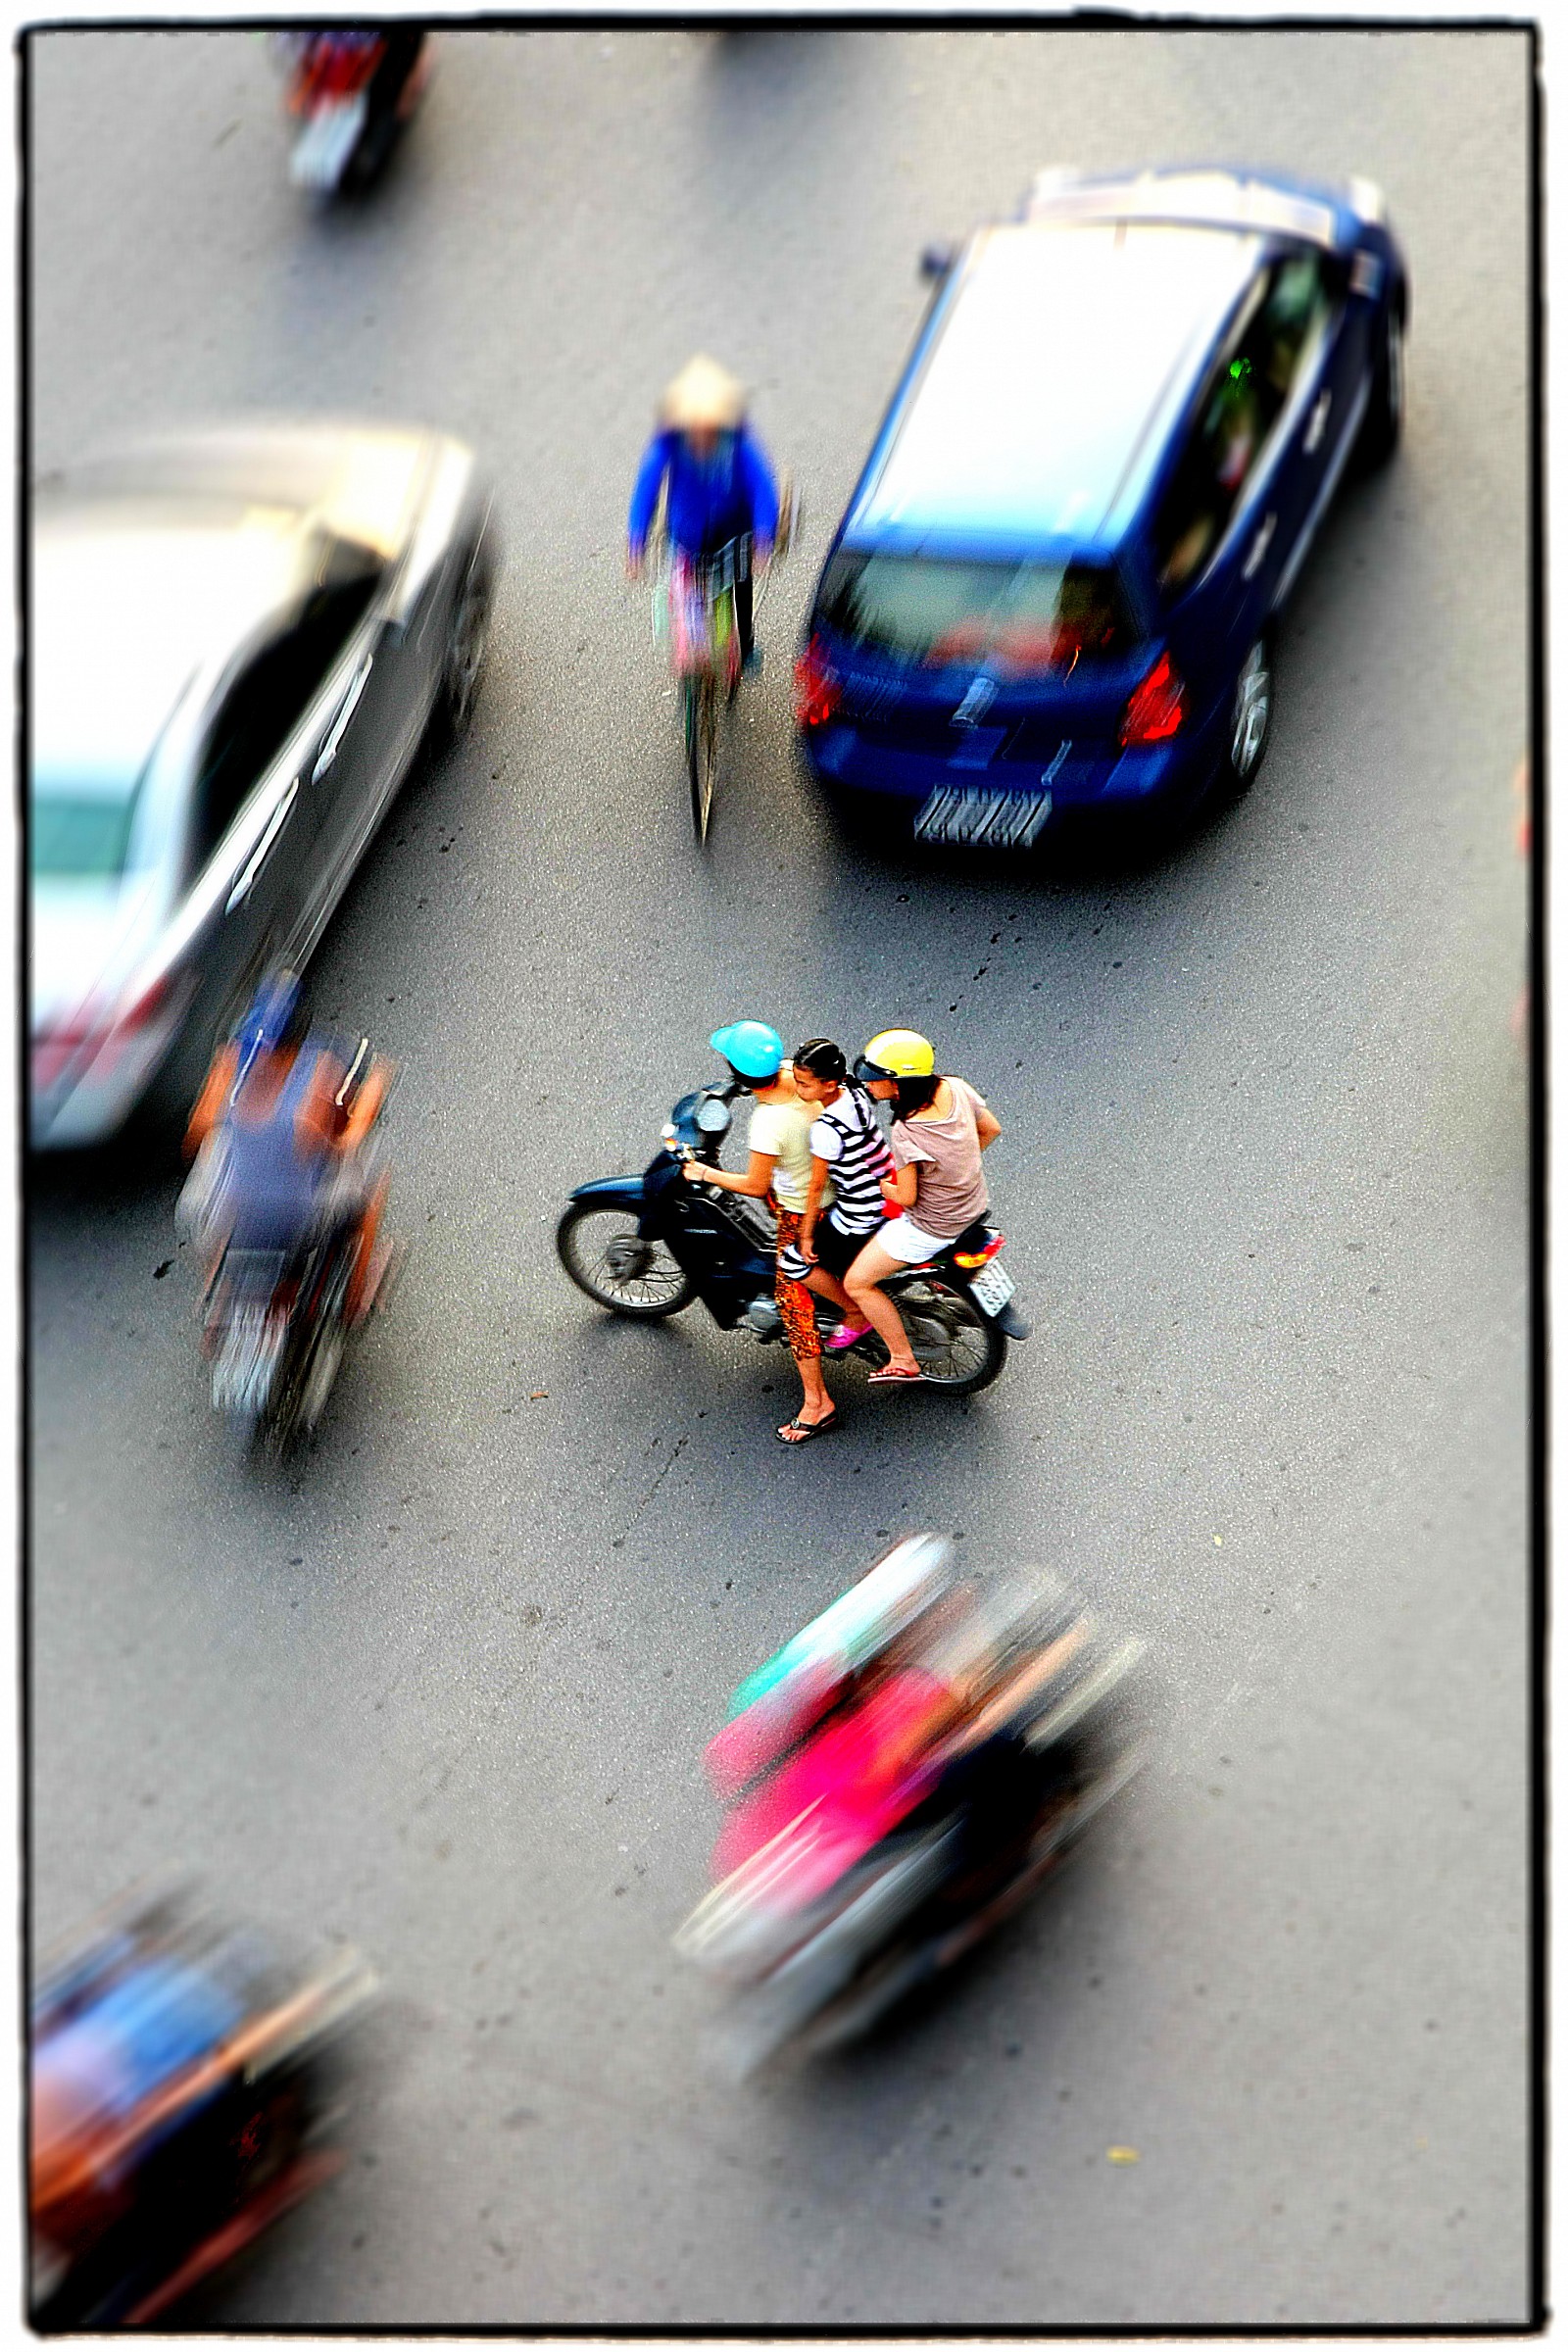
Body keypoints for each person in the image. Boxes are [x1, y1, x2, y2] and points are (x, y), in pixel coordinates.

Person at [182, 974, 391, 1326]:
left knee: (214, 1184)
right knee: (370, 1189)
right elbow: (343, 1140)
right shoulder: (318, 1072)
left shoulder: (229, 1065)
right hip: (295, 1220)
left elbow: (195, 1137)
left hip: (229, 1217)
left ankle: (216, 1294)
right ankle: (356, 1298)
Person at [682, 1021, 839, 1445]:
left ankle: (816, 1403)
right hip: (837, 1186)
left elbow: (753, 1185)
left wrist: (703, 1171)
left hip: (808, 1209)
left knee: (792, 1300)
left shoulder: (769, 1122)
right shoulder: (796, 1074)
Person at [842, 1030, 1003, 1384]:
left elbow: (907, 1197)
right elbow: (990, 1129)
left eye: (876, 1078)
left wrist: (883, 1185)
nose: (869, 1084)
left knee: (857, 1283)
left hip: (932, 1225)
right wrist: (954, 1167)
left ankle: (903, 1358)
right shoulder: (955, 1087)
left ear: (897, 1085)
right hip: (973, 1205)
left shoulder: (907, 1130)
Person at [626, 356, 780, 673]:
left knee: (741, 580)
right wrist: (636, 542)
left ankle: (746, 644)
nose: (701, 434)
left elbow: (762, 487)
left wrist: (765, 539)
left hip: (733, 530)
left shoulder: (740, 444)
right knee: (685, 594)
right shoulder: (668, 445)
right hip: (687, 534)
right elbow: (647, 487)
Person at [783, 1038, 897, 1357]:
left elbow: (816, 1187)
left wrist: (805, 1238)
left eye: (805, 1085)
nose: (799, 1090)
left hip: (860, 1213)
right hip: (886, 1192)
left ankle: (855, 1312)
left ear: (830, 1084)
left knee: (794, 1262)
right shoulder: (858, 1093)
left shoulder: (826, 1129)